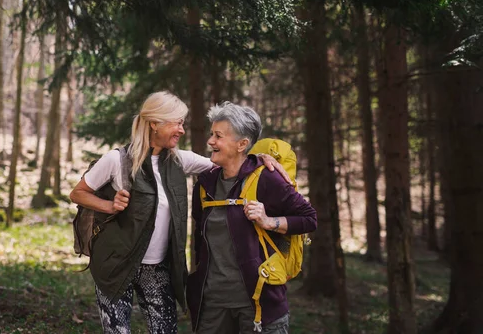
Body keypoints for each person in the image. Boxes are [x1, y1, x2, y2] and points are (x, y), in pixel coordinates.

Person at [69, 91, 288, 334]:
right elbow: (78, 193)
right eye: (177, 123)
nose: (182, 130)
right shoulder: (116, 160)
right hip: (115, 264)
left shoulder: (179, 160)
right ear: (154, 123)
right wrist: (110, 206)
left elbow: (231, 161)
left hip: (157, 268)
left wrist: (259, 158)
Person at [186, 102, 317, 334]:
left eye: (218, 136)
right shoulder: (205, 185)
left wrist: (269, 222)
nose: (210, 141)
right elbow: (200, 238)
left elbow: (308, 219)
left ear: (242, 144)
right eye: (211, 134)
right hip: (213, 304)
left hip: (258, 303)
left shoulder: (267, 178)